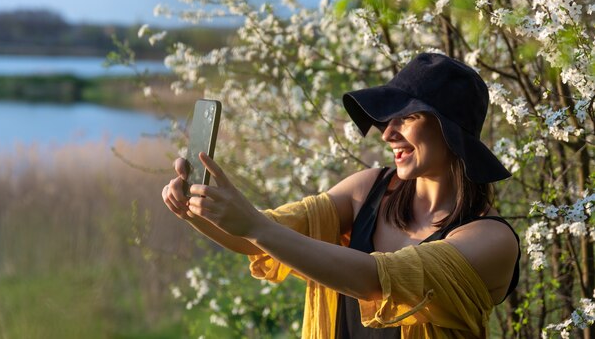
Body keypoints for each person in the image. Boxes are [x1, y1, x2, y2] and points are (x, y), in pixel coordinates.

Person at [162, 53, 521, 338]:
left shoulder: (490, 239)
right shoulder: (367, 190)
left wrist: (255, 226)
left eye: (406, 117)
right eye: (387, 119)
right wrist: (195, 208)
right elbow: (263, 237)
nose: (387, 133)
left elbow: (377, 280)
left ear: (449, 128)